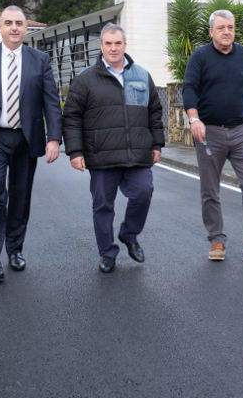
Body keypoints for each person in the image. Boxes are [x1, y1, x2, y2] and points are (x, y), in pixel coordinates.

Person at [0, 5, 62, 282]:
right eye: (8, 23)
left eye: (19, 23)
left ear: (26, 28)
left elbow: (51, 102)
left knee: (20, 194)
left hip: (26, 137)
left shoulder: (40, 60)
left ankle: (15, 249)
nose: (14, 27)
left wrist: (54, 138)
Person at [62, 24, 165, 273]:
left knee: (143, 191)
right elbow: (72, 117)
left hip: (137, 153)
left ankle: (129, 234)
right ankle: (107, 252)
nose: (113, 48)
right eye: (108, 44)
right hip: (101, 156)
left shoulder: (141, 75)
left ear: (125, 45)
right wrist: (75, 152)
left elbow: (154, 112)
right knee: (103, 206)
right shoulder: (85, 79)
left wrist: (157, 144)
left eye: (117, 43)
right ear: (101, 47)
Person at [183, 9, 243, 265]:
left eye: (230, 27)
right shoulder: (200, 57)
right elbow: (189, 88)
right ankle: (217, 240)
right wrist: (194, 119)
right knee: (210, 189)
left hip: (242, 131)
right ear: (211, 31)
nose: (226, 32)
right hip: (209, 132)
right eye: (221, 27)